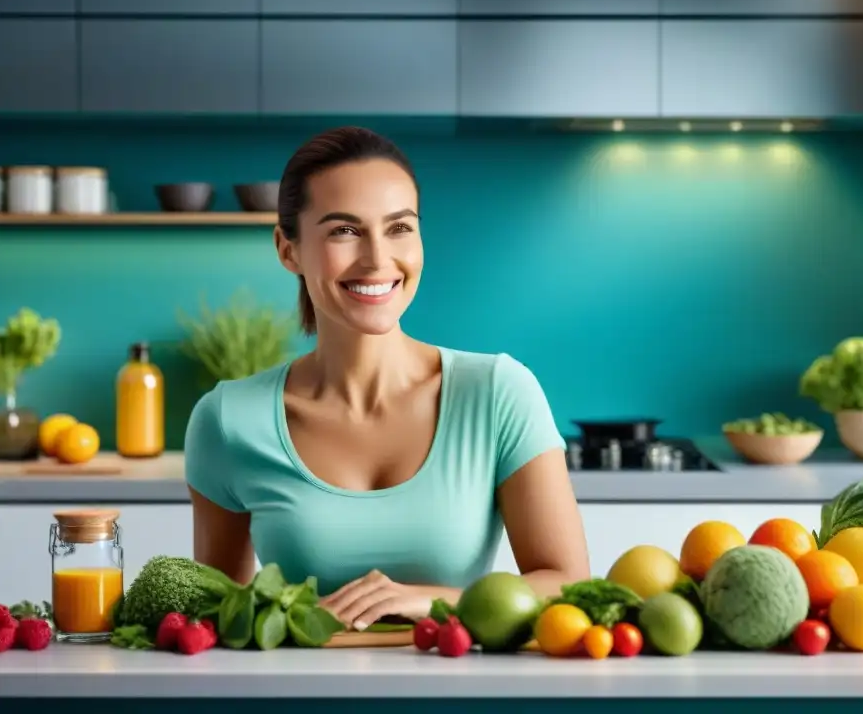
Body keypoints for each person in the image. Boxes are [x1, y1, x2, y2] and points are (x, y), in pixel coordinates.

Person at [184, 126, 590, 631]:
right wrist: (297, 619)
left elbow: (567, 583)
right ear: (288, 250)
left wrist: (435, 602)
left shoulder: (498, 393)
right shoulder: (227, 420)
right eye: (344, 231)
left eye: (399, 228)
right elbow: (215, 623)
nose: (378, 259)